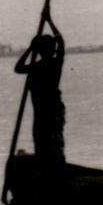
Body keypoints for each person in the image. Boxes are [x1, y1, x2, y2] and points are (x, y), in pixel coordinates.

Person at [14, 16, 66, 170]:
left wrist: (49, 21)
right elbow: (18, 68)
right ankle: (47, 168)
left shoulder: (54, 64)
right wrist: (31, 48)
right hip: (41, 112)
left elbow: (60, 42)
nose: (49, 51)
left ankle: (54, 168)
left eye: (49, 48)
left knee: (52, 141)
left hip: (52, 111)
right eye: (44, 49)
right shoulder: (36, 66)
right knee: (42, 141)